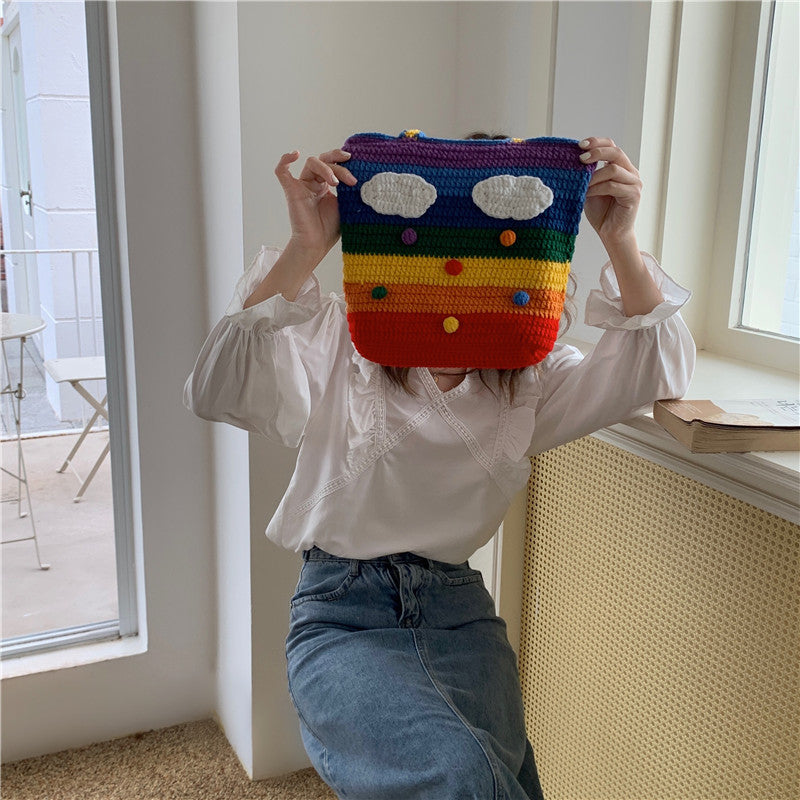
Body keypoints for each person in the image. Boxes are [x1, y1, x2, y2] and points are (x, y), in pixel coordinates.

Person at [184, 135, 695, 800]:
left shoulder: (531, 384)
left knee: (504, 781)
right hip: (342, 614)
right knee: (463, 776)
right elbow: (215, 389)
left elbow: (660, 370)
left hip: (460, 615)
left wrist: (619, 239)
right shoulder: (342, 345)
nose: (461, 268)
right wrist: (307, 246)